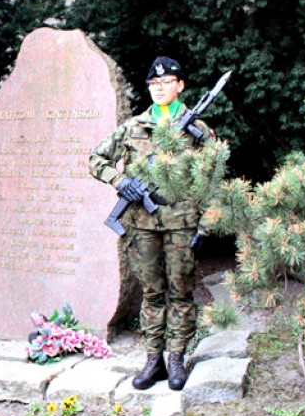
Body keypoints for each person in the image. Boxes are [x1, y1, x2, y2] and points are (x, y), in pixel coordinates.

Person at [89, 57, 215, 391]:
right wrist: (120, 181)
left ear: (180, 85)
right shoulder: (133, 127)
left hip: (180, 223)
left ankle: (176, 358)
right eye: (154, 83)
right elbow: (96, 159)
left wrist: (206, 226)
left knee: (181, 292)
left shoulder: (197, 130)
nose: (160, 88)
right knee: (152, 292)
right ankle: (152, 359)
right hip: (141, 225)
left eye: (167, 81)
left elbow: (213, 179)